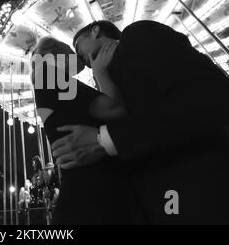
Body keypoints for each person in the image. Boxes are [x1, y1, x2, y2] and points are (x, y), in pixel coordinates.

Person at [55, 19, 229, 224]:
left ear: (95, 31)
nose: (79, 56)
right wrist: (101, 75)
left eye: (78, 46)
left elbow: (219, 99)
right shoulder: (105, 81)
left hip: (210, 196)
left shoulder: (136, 36)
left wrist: (108, 140)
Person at [31, 36, 144, 224]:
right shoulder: (47, 74)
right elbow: (115, 109)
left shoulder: (47, 82)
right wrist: (100, 71)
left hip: (86, 184)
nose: (78, 57)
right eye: (70, 52)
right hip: (93, 186)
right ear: (54, 55)